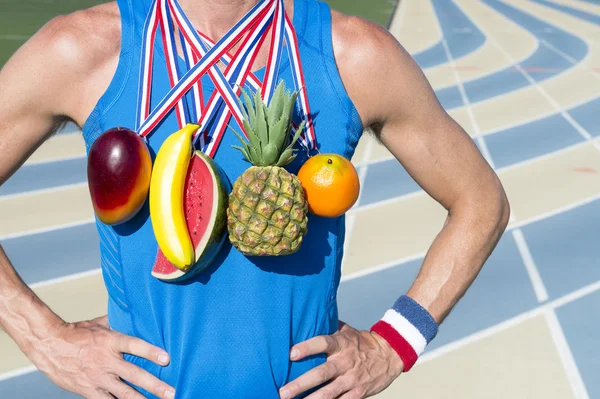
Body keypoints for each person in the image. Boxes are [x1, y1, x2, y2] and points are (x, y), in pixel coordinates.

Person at [0, 0, 510, 398]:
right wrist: (43, 337)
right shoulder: (82, 50)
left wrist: (393, 345)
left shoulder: (353, 55)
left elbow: (481, 201)